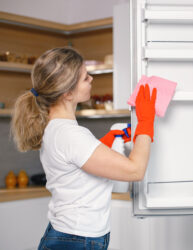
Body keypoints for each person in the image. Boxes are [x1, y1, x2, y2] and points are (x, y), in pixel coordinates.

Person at [10, 47, 157, 250]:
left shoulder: (57, 128)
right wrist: (146, 121)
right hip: (77, 239)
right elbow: (135, 170)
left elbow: (77, 164)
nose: (91, 80)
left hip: (69, 235)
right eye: (85, 78)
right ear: (68, 93)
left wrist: (103, 143)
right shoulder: (71, 135)